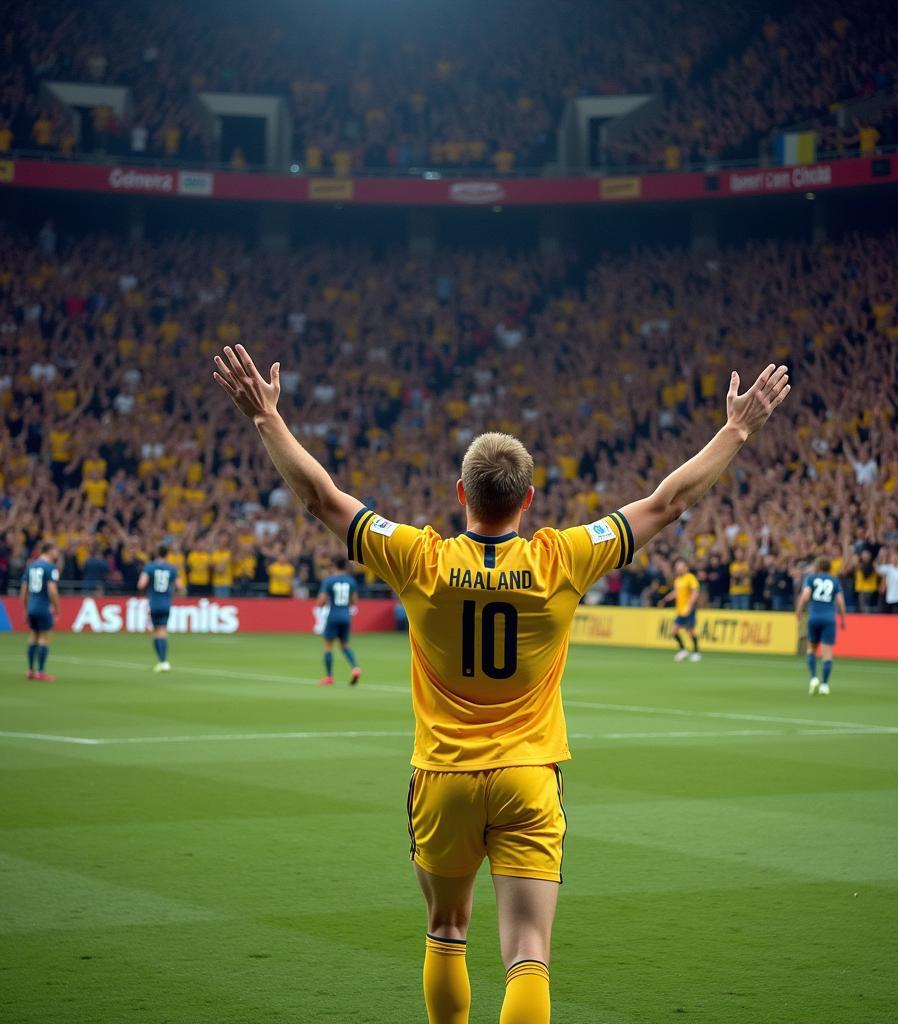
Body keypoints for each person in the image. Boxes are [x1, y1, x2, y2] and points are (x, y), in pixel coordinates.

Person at [213, 343, 790, 1024]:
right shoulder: (562, 559)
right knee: (527, 952)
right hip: (528, 778)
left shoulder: (418, 558)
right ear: (528, 500)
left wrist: (267, 419)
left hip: (443, 776)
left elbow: (319, 497)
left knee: (447, 931)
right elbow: (667, 502)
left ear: (462, 495)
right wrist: (738, 427)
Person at [795, 555, 847, 696]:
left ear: (817, 566)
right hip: (829, 619)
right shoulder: (834, 580)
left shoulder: (811, 578)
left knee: (811, 649)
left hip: (814, 617)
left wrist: (799, 611)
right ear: (829, 567)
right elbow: (840, 602)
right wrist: (843, 619)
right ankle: (825, 685)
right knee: (827, 654)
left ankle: (813, 678)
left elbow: (805, 596)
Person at [138, 544, 186, 672]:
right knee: (163, 632)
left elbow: (141, 584)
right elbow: (181, 587)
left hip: (154, 603)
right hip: (166, 603)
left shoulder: (149, 567)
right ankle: (163, 661)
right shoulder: (172, 569)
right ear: (167, 554)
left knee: (156, 633)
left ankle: (162, 661)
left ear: (156, 553)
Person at [317, 555, 361, 686]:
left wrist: (324, 603)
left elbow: (321, 601)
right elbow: (354, 601)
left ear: (334, 566)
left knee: (328, 646)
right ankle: (355, 668)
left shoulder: (329, 581)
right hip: (346, 616)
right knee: (344, 645)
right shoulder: (351, 581)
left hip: (333, 615)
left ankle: (329, 677)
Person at [21, 542, 61, 681]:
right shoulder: (50, 567)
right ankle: (41, 672)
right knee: (44, 637)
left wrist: (26, 608)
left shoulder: (31, 566)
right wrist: (57, 609)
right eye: (55, 550)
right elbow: (52, 590)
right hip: (43, 607)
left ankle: (30, 670)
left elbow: (24, 590)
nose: (57, 554)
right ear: (49, 551)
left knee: (33, 636)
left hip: (32, 607)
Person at [659, 557, 701, 662]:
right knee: (674, 631)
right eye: (677, 567)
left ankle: (696, 652)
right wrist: (665, 599)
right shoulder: (678, 580)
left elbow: (695, 592)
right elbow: (676, 593)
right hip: (680, 610)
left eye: (680, 567)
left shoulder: (690, 578)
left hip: (688, 609)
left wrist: (690, 605)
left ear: (685, 567)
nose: (678, 569)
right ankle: (683, 650)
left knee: (690, 631)